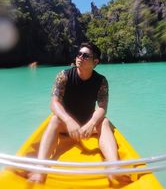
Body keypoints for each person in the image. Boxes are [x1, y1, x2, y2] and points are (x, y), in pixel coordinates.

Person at [28, 42, 131, 184]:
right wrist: (69, 121)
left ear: (95, 62)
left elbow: (102, 107)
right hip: (66, 125)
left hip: (87, 125)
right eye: (79, 54)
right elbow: (54, 103)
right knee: (54, 120)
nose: (80, 57)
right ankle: (40, 170)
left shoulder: (101, 81)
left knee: (104, 121)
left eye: (85, 55)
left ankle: (114, 168)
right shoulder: (63, 76)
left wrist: (92, 123)